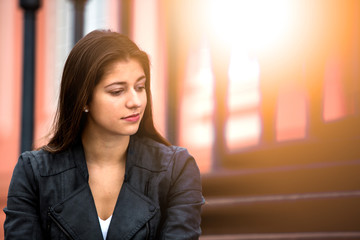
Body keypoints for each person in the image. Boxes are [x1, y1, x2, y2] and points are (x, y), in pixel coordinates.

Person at [4, 30, 204, 240]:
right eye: (117, 91)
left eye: (140, 87)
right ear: (84, 99)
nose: (135, 101)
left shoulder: (177, 170)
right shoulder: (34, 173)